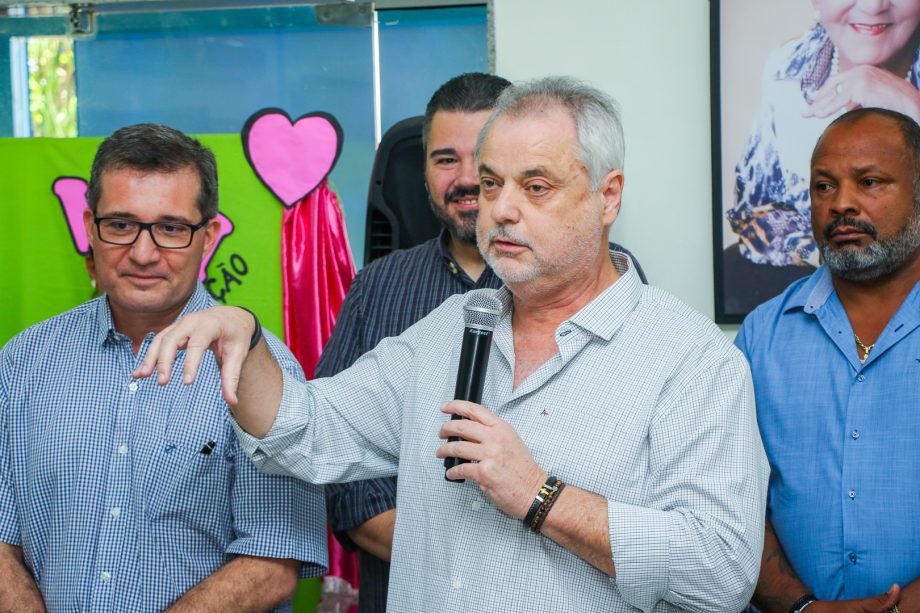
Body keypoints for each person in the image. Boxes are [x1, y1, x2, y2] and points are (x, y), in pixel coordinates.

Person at [138, 77, 768, 612]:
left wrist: (540, 495)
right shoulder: (448, 328)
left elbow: (721, 572)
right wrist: (245, 341)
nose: (501, 210)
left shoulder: (690, 359)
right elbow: (308, 431)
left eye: (536, 186)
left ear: (608, 197)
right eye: (492, 184)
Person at [318, 71, 647, 612]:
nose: (469, 179)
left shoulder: (598, 283)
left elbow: (624, 475)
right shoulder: (377, 287)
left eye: (486, 163)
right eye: (446, 159)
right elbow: (335, 458)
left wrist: (511, 548)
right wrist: (448, 558)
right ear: (423, 170)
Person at [0, 124, 327, 611]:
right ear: (90, 226)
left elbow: (273, 562)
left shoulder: (261, 369)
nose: (143, 253)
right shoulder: (25, 360)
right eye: (120, 225)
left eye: (171, 228)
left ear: (208, 236)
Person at [738, 107, 920, 611]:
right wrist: (800, 607)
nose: (841, 203)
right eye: (823, 186)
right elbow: (731, 500)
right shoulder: (762, 336)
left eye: (869, 182)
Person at [724, 0, 920, 313]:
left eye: (870, 182)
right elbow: (759, 217)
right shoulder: (787, 67)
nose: (873, 6)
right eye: (824, 186)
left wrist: (912, 105)